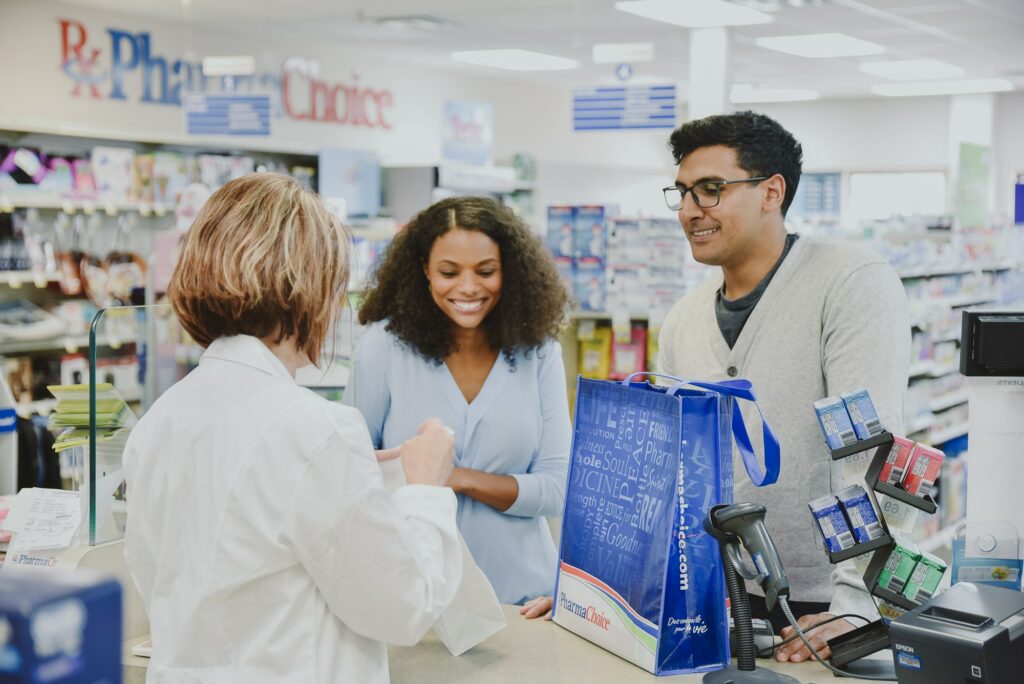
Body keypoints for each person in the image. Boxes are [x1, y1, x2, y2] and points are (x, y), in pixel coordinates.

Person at [123, 173, 463, 684]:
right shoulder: (315, 429)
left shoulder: (158, 422)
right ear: (306, 290)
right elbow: (403, 605)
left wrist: (352, 480)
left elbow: (179, 575)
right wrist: (426, 490)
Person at [657, 111, 910, 662]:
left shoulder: (848, 282)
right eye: (681, 192)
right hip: (718, 601)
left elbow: (875, 454)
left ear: (773, 191)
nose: (690, 209)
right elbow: (674, 470)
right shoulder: (683, 319)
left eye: (711, 189)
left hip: (822, 605)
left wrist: (856, 606)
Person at [346, 195, 571, 606]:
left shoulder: (538, 353)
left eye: (486, 271)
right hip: (414, 600)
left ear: (511, 272)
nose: (468, 287)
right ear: (424, 271)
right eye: (449, 272)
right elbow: (351, 473)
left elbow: (557, 489)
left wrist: (452, 476)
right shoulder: (382, 349)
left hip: (523, 602)